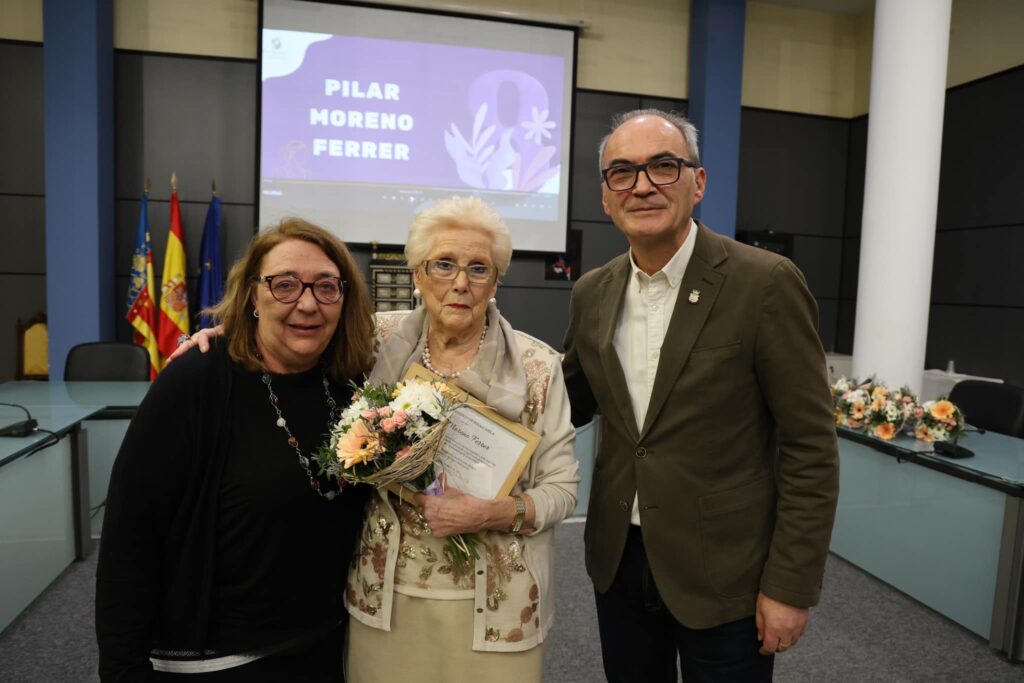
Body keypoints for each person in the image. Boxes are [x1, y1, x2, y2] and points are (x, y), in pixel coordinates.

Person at [178, 196, 579, 682]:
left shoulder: (538, 368)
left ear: (495, 282)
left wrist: (489, 513)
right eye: (443, 264)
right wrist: (227, 334)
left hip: (498, 607)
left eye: (479, 269)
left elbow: (562, 489)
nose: (460, 283)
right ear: (417, 274)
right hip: (385, 600)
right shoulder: (374, 340)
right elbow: (294, 333)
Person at [561, 109, 840, 682]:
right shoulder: (592, 292)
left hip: (727, 571)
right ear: (606, 197)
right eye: (622, 172)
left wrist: (790, 585)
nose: (642, 186)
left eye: (663, 166)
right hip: (620, 560)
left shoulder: (765, 283)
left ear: (698, 182)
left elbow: (810, 446)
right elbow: (566, 404)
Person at [96, 219, 375, 681]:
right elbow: (131, 537)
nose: (308, 303)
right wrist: (122, 669)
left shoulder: (351, 384)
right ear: (252, 297)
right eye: (285, 285)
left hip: (323, 648)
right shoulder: (196, 382)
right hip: (218, 660)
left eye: (327, 287)